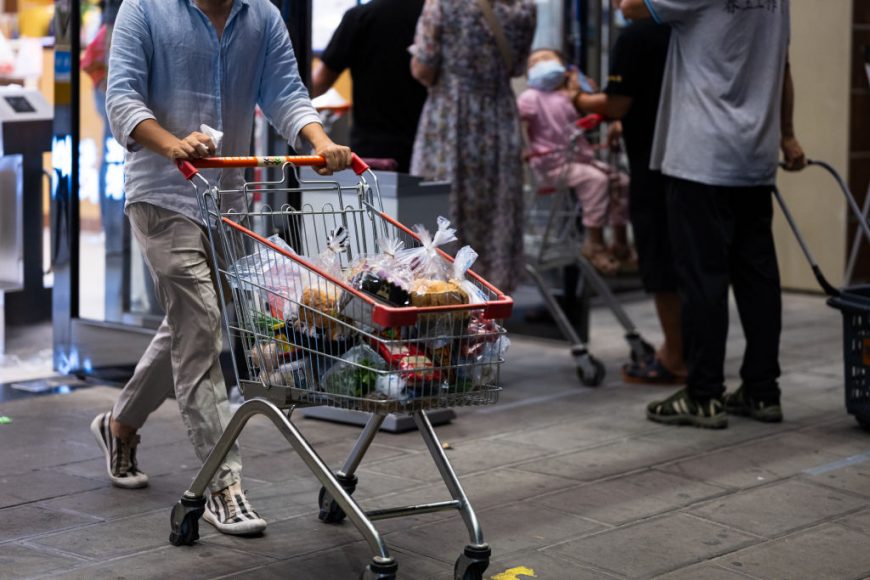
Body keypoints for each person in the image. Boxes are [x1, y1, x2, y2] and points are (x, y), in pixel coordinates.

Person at [92, 0, 352, 535]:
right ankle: (222, 484)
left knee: (194, 326)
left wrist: (321, 142)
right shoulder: (145, 10)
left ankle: (120, 424)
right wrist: (172, 145)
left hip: (229, 199)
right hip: (162, 195)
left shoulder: (262, 16)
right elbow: (121, 98)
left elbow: (284, 91)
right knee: (203, 327)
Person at [619, 0, 806, 428]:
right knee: (758, 278)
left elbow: (629, 7)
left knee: (703, 279)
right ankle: (762, 391)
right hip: (754, 154)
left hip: (702, 156)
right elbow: (783, 65)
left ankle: (704, 394)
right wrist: (788, 134)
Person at [575, 13, 685, 383]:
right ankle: (698, 350)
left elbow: (616, 104)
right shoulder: (690, 26)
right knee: (693, 259)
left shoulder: (636, 35)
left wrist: (576, 97)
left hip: (653, 162)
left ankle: (675, 356)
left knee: (661, 258)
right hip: (697, 156)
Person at [410, 0, 536, 293]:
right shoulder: (524, 8)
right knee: (495, 210)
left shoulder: (442, 4)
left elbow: (423, 68)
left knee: (443, 206)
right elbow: (517, 67)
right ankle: (490, 296)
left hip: (450, 120)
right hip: (499, 120)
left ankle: (443, 295)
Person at [518, 48, 634, 276]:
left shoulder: (569, 96)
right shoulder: (530, 98)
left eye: (546, 59)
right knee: (596, 181)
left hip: (578, 159)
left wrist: (581, 86)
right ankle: (595, 242)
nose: (541, 64)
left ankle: (620, 241)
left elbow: (592, 111)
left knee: (620, 180)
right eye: (535, 62)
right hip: (552, 163)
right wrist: (524, 149)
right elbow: (519, 122)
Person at [311, 0, 427, 174]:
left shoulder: (359, 17)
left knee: (374, 200)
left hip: (373, 151)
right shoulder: (431, 17)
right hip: (424, 146)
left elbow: (319, 82)